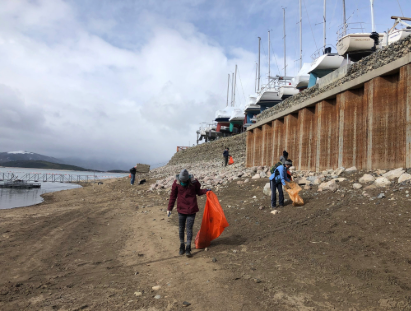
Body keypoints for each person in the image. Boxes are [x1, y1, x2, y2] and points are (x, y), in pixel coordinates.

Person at [167, 169, 210, 257]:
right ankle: (182, 245)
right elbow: (173, 196)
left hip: (191, 210)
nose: (183, 182)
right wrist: (169, 208)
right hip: (181, 209)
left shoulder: (194, 182)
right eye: (182, 181)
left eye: (185, 181)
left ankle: (188, 247)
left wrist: (206, 191)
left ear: (188, 179)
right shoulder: (176, 183)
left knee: (189, 228)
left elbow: (198, 191)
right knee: (181, 228)